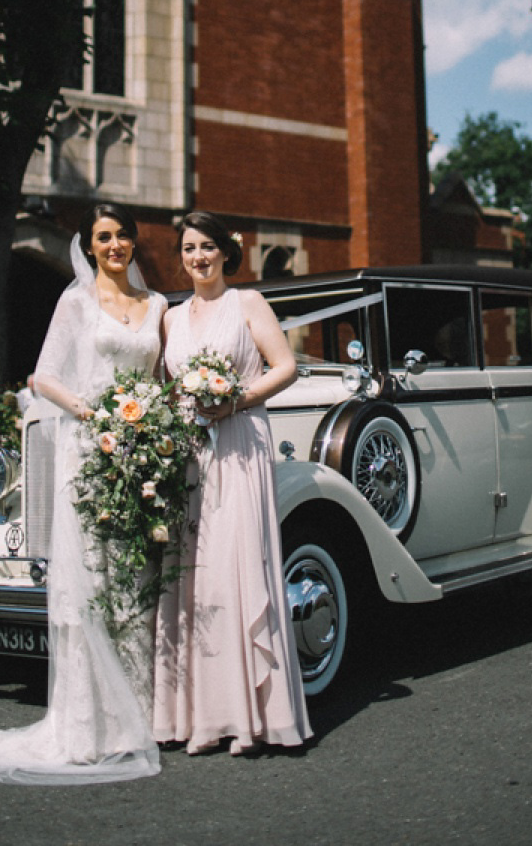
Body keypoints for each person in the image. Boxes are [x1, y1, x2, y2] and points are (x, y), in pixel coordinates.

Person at [0, 202, 166, 784]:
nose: (116, 245)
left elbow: (162, 377)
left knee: (134, 581)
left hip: (141, 453)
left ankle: (134, 716)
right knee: (90, 583)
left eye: (124, 235)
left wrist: (152, 425)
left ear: (133, 242)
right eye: (104, 237)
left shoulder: (158, 307)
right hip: (90, 452)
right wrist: (90, 413)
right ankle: (87, 725)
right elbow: (43, 376)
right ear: (89, 246)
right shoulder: (76, 302)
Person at [152, 210, 313, 756]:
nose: (198, 257)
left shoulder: (248, 303)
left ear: (226, 251)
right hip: (191, 456)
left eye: (207, 247)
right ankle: (199, 718)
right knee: (195, 578)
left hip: (241, 445)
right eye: (189, 249)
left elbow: (285, 366)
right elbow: (166, 387)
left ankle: (252, 718)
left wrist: (235, 399)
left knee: (235, 571)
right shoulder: (172, 318)